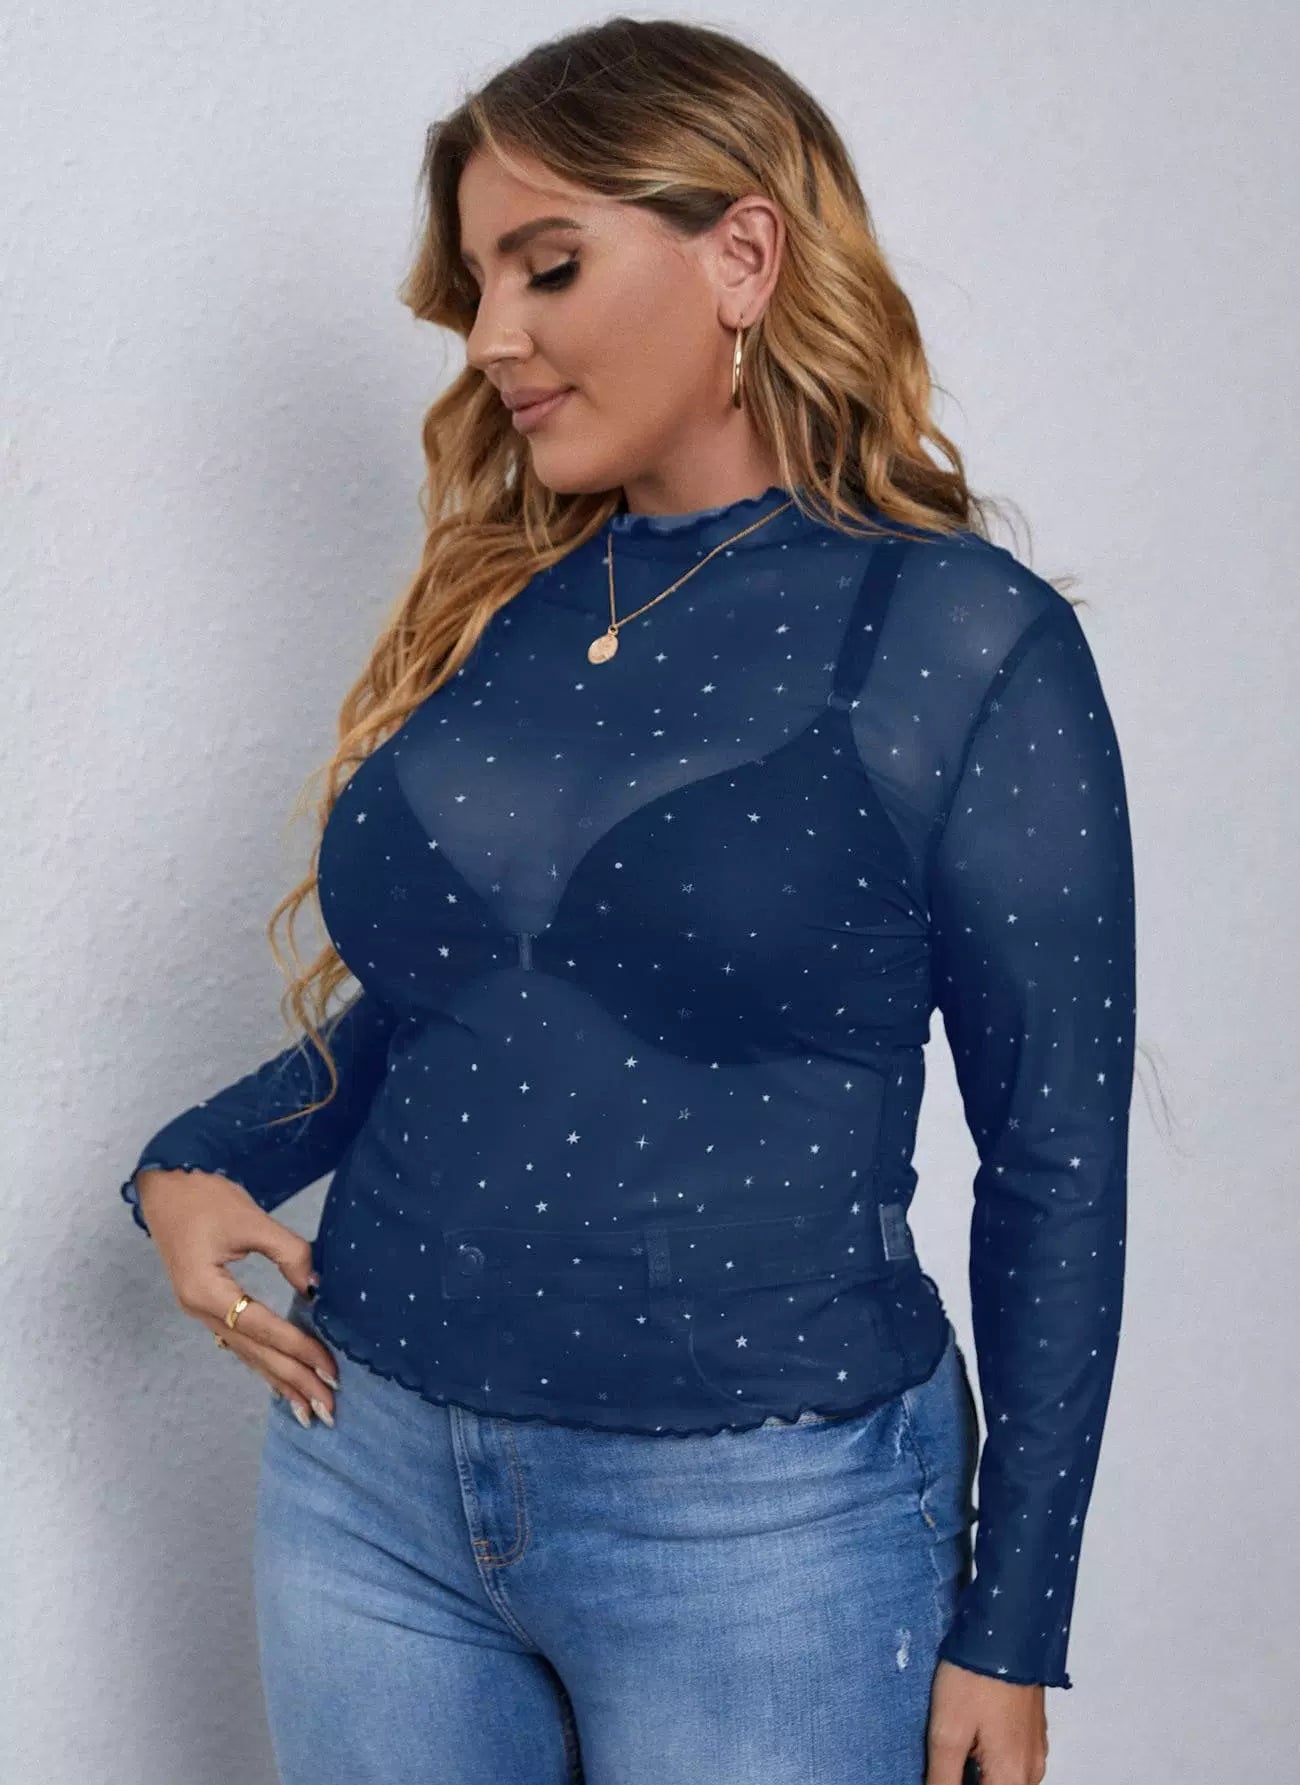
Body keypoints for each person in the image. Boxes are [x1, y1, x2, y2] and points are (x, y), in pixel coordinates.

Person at [121, 18, 1137, 1785]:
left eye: (548, 266)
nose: (491, 336)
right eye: (478, 286)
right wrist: (193, 1159)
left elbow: (1057, 1159)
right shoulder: (509, 601)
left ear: (742, 254)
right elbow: (467, 1001)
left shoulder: (961, 639)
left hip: (764, 1534)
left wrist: (1013, 1617)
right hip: (368, 1484)